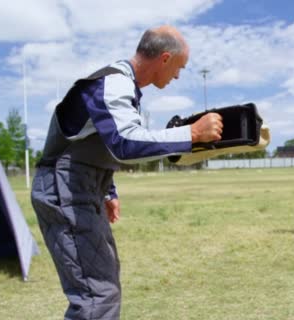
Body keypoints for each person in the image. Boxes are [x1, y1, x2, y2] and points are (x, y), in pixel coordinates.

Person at [30, 26, 222, 320]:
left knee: (103, 285)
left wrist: (108, 190)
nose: (178, 77)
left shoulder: (121, 86)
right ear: (165, 58)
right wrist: (192, 133)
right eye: (179, 68)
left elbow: (99, 141)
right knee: (96, 295)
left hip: (82, 188)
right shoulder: (113, 83)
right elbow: (126, 142)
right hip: (65, 189)